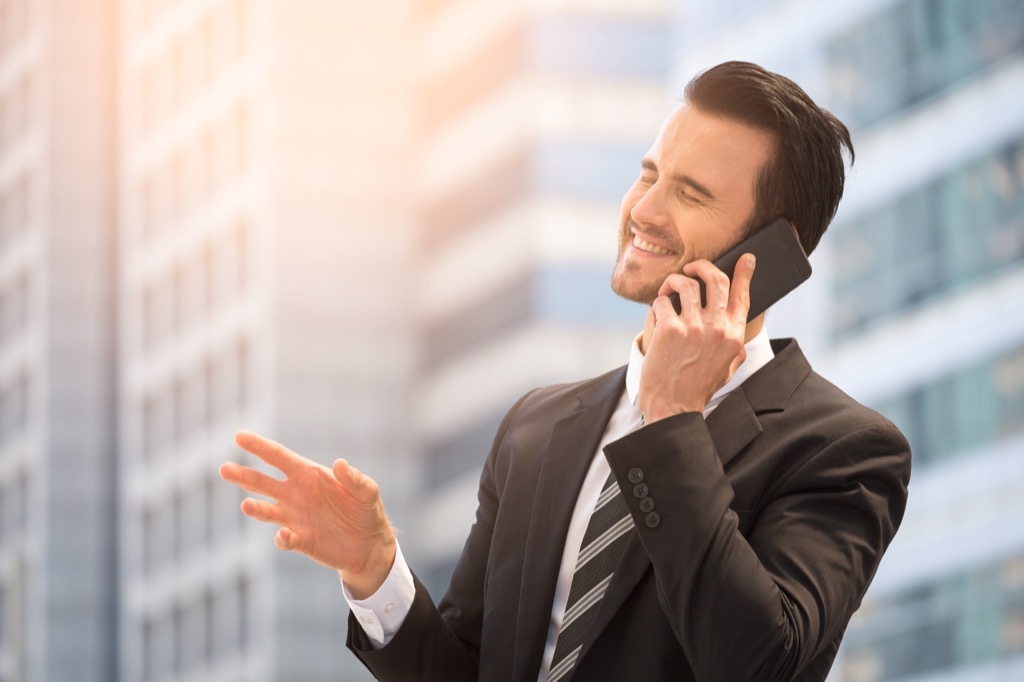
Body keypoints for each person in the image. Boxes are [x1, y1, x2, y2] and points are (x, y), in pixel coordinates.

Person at [219, 61, 911, 681]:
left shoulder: (844, 450)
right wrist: (376, 573)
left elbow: (759, 665)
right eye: (648, 175)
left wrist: (672, 419)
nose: (642, 210)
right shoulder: (538, 426)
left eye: (690, 194)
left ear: (771, 254)